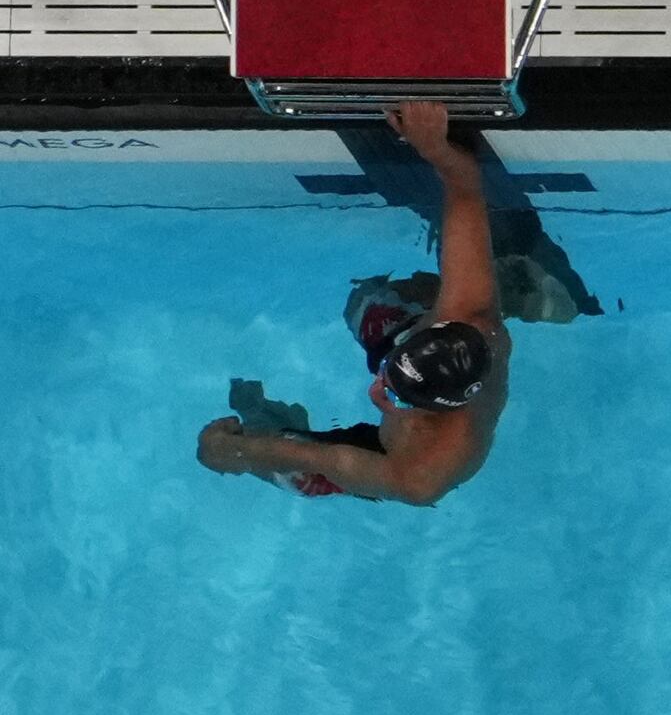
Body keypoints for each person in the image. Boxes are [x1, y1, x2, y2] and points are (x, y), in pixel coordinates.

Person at [195, 105, 515, 507]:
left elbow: (324, 457)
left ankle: (530, 292)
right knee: (362, 302)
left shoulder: (420, 475)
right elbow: (465, 181)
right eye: (389, 373)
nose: (376, 389)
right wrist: (434, 147)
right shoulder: (467, 312)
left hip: (382, 458)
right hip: (434, 338)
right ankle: (512, 290)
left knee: (297, 476)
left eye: (394, 397)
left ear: (434, 411)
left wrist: (232, 455)